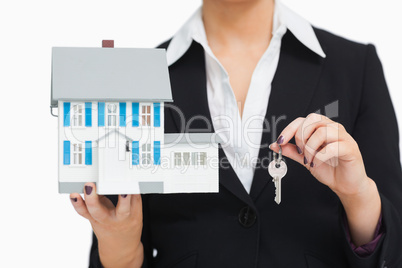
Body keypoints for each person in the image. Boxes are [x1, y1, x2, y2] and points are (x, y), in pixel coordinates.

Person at [70, 0, 402, 267]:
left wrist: (357, 195)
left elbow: (394, 249)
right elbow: (121, 251)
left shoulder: (354, 67)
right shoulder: (138, 82)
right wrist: (120, 243)